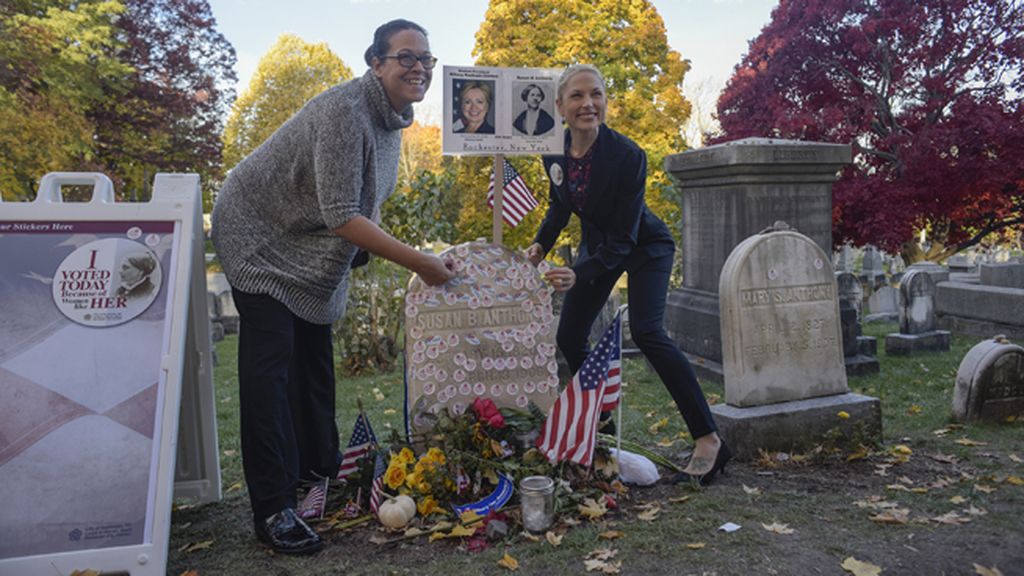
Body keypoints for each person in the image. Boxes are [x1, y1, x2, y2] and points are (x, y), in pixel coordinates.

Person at [211, 19, 454, 555]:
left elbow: (356, 206)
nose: (419, 69)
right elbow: (344, 214)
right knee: (270, 373)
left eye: (426, 60)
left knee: (315, 366)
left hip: (311, 251)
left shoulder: (391, 121)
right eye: (405, 58)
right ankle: (273, 508)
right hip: (259, 238)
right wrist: (422, 263)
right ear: (376, 62)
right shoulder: (346, 113)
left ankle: (318, 477)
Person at [526, 64, 731, 486]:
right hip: (599, 248)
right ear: (561, 106)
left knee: (647, 331)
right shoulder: (554, 150)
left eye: (596, 95)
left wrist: (577, 274)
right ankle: (598, 424)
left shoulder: (628, 156)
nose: (589, 104)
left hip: (644, 247)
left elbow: (622, 241)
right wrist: (540, 246)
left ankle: (709, 439)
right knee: (569, 336)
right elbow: (559, 207)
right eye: (578, 96)